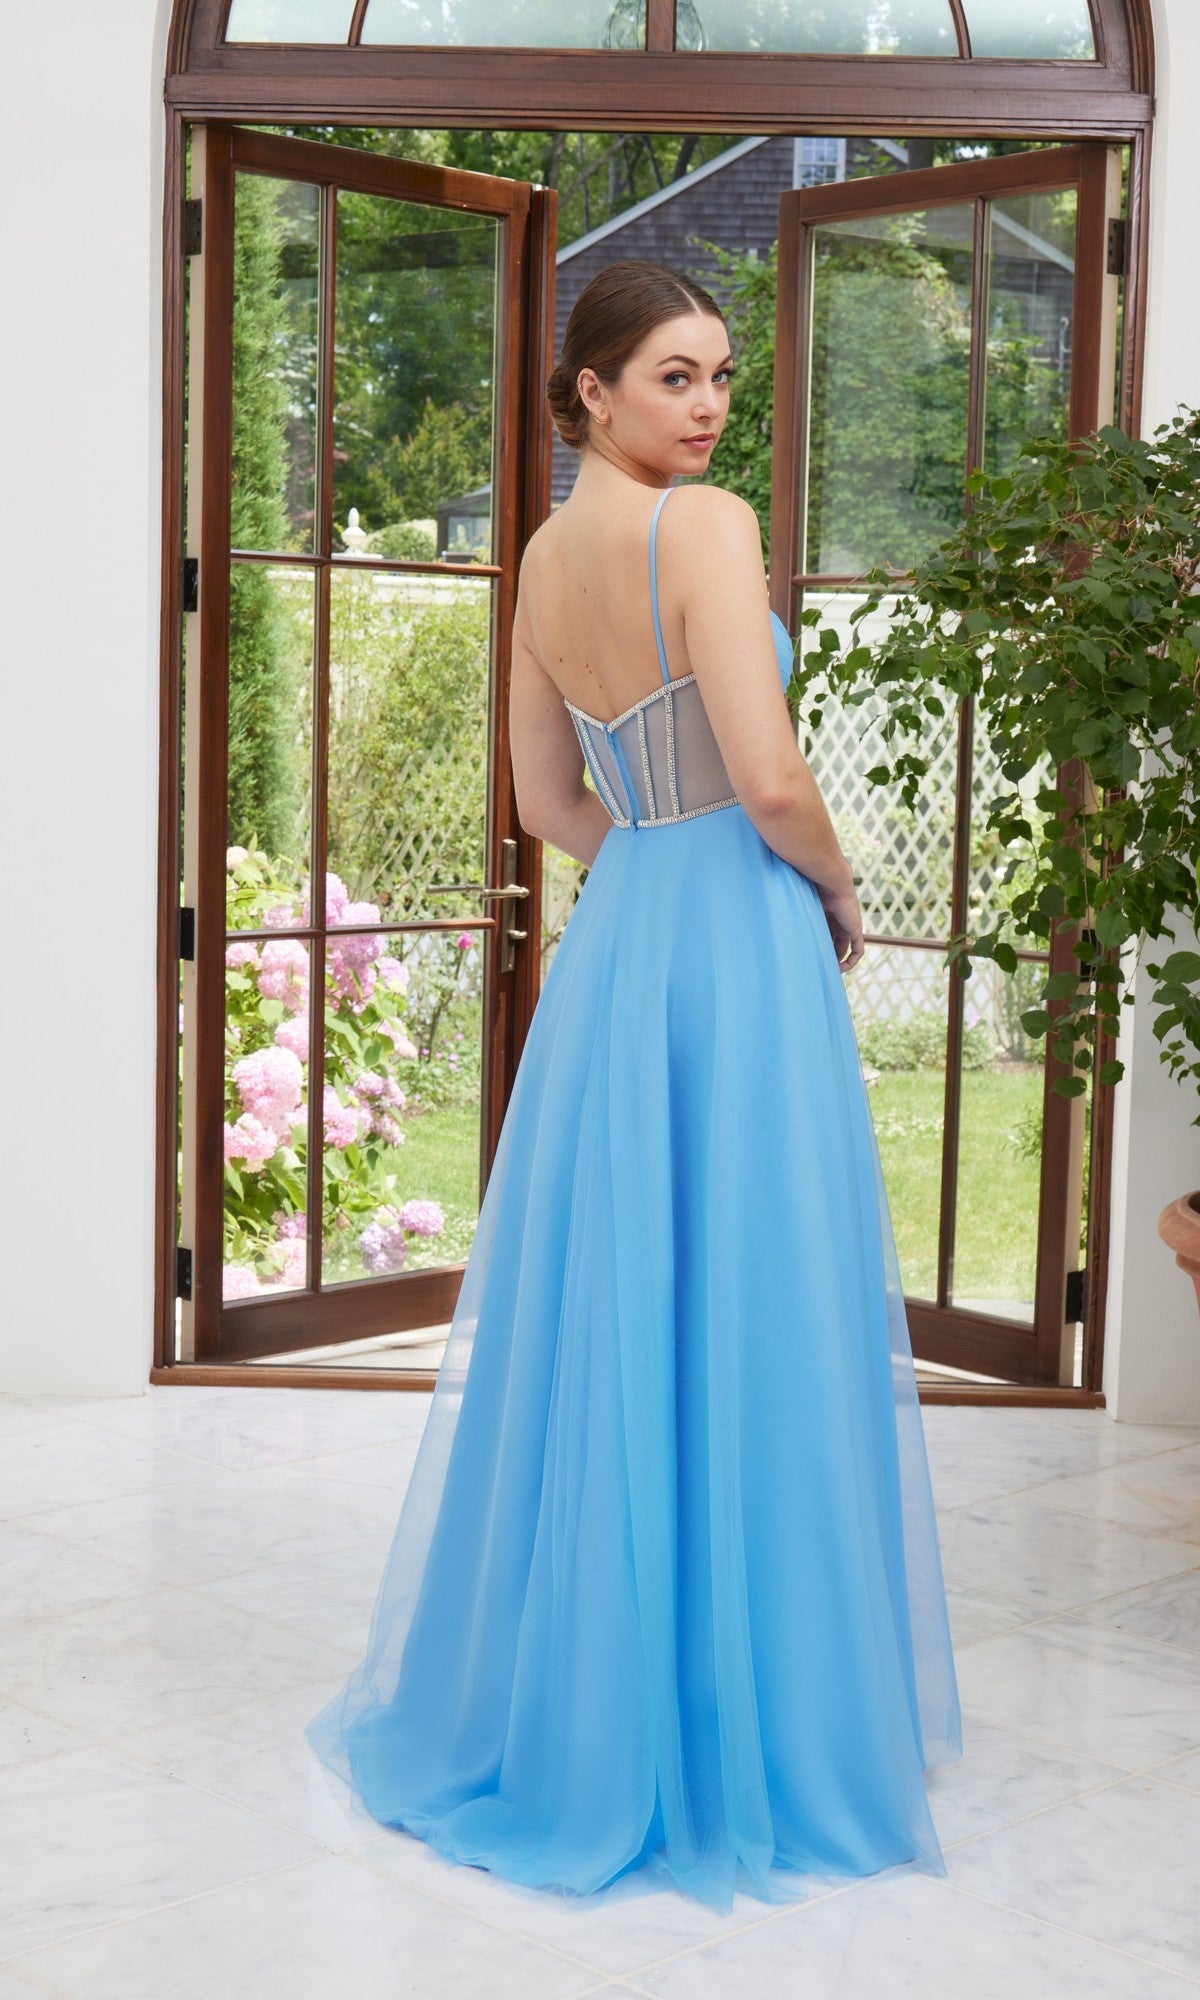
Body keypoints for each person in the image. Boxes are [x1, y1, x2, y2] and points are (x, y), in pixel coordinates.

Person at [305, 257, 963, 1914]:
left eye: (721, 378)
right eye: (675, 376)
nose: (710, 406)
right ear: (590, 389)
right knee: (749, 1295)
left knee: (620, 1307)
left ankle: (595, 1714)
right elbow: (770, 773)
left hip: (630, 938)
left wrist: (659, 869)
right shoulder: (708, 527)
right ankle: (761, 1728)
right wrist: (822, 891)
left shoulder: (537, 555)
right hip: (734, 933)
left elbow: (545, 799)